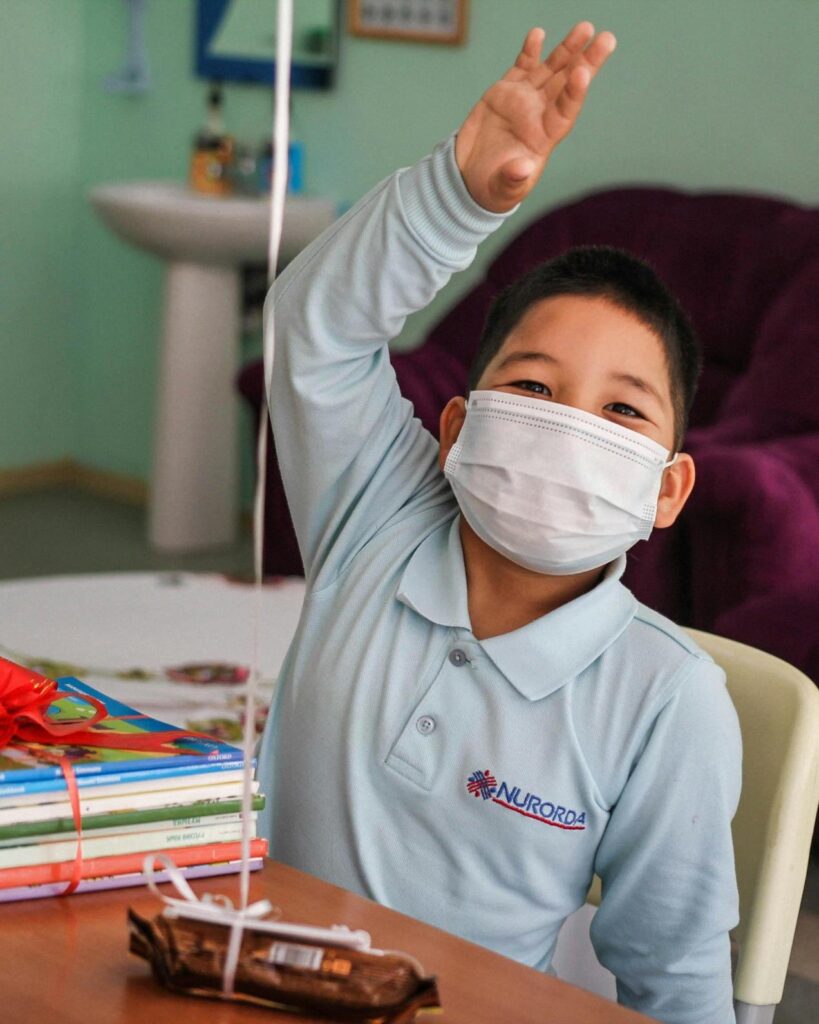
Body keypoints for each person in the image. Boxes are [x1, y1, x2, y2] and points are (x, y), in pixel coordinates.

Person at [257, 22, 741, 1024]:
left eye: (621, 411)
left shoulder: (669, 698)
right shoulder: (375, 512)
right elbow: (317, 329)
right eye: (534, 385)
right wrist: (455, 195)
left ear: (668, 488)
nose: (570, 428)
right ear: (456, 429)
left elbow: (675, 980)